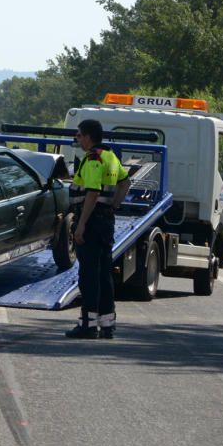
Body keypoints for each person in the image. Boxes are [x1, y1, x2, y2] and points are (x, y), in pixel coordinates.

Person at [65, 119, 131, 339]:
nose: (77, 138)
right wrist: (115, 205)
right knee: (104, 274)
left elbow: (92, 193)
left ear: (88, 137)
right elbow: (125, 183)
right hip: (106, 222)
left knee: (89, 276)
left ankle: (88, 325)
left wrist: (81, 224)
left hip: (91, 221)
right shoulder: (111, 156)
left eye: (79, 135)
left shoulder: (93, 159)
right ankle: (107, 324)